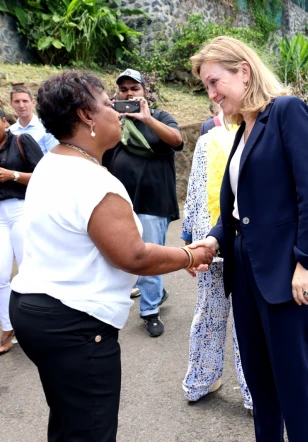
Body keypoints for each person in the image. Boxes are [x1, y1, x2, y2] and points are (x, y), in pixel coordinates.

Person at [9, 70, 215, 441]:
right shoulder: (92, 181)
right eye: (107, 103)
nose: (117, 111)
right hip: (74, 323)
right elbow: (133, 256)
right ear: (86, 115)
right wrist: (188, 255)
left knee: (69, 421)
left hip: (35, 310)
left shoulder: (51, 163)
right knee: (90, 430)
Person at [188, 36, 308, 442]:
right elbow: (239, 210)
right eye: (207, 86)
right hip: (246, 267)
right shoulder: (243, 130)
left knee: (292, 381)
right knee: (258, 379)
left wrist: (307, 262)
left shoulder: (286, 111)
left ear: (245, 71)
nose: (213, 93)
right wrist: (213, 241)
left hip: (287, 269)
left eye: (215, 82)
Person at [103, 68, 184, 337]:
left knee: (148, 257)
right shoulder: (113, 122)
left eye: (134, 89)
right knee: (121, 256)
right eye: (123, 89)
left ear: (144, 92)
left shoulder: (160, 117)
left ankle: (149, 311)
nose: (129, 93)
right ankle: (155, 293)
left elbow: (177, 140)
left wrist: (147, 119)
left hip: (153, 199)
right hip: (119, 202)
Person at [181, 119, 252, 412]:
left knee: (212, 313)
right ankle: (252, 392)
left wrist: (189, 235)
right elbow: (196, 189)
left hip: (214, 238)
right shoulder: (247, 135)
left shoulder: (213, 139)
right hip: (224, 240)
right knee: (242, 319)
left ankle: (201, 380)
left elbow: (194, 193)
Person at [0, 107, 43, 356]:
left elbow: (43, 175)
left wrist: (12, 175)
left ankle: (35, 327)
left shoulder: (21, 140)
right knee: (1, 274)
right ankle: (8, 327)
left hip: (21, 209)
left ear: (5, 121)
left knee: (28, 269)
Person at [9, 85, 59, 154]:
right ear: (11, 104)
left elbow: (55, 155)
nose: (21, 105)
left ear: (33, 103)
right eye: (17, 101)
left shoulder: (46, 128)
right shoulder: (10, 131)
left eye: (25, 101)